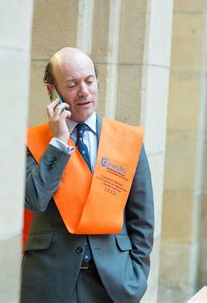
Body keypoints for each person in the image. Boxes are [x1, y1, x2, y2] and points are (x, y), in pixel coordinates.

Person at [21, 47, 154, 303]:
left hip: (114, 282)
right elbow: (34, 198)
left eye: (89, 81)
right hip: (49, 282)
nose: (84, 91)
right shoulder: (34, 141)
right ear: (53, 91)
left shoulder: (126, 139)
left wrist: (137, 275)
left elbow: (142, 218)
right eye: (72, 84)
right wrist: (59, 143)